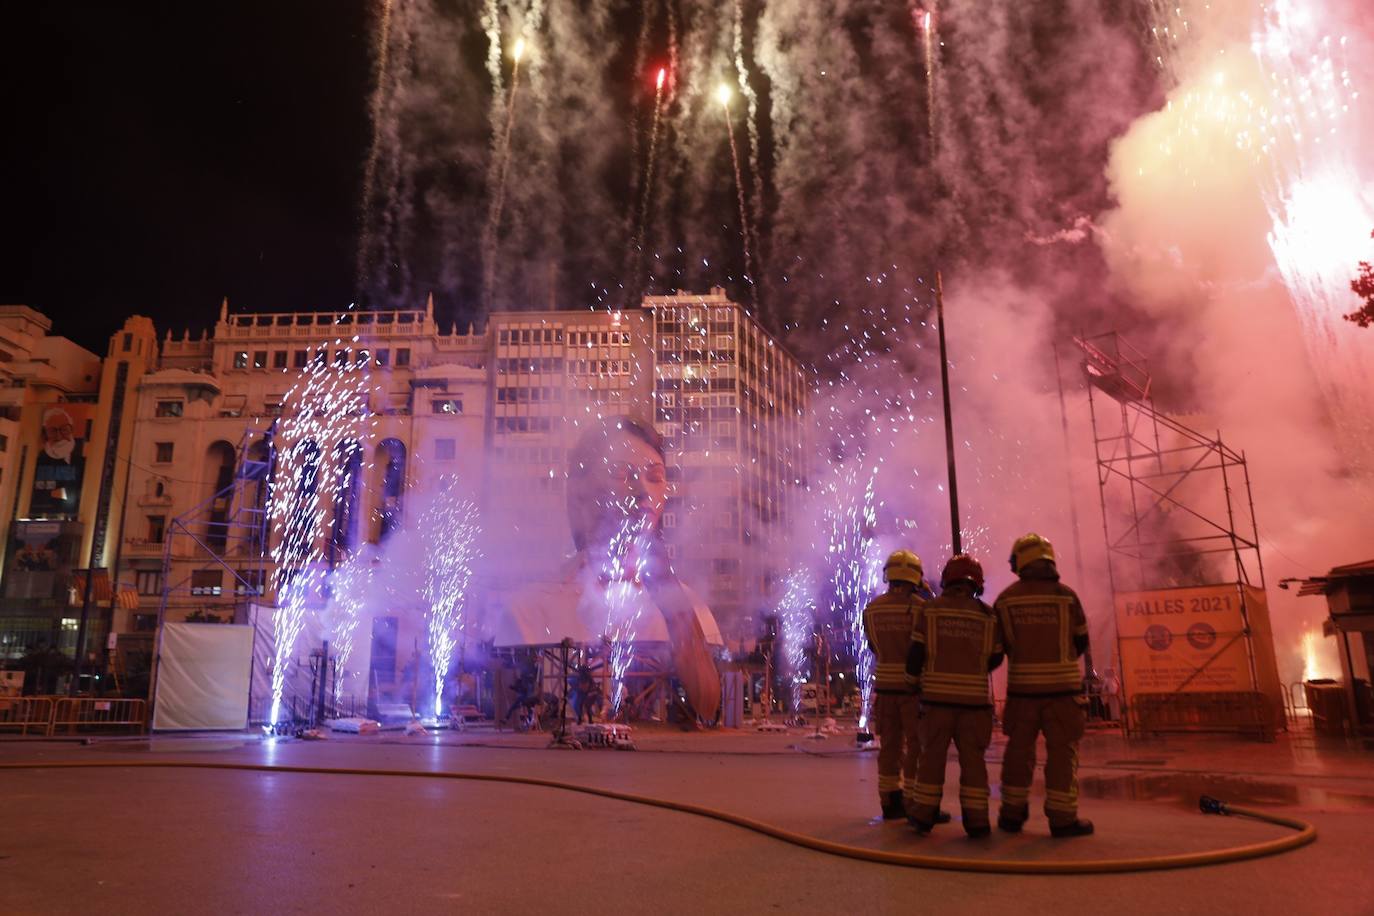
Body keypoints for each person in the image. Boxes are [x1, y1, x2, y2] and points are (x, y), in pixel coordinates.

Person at [995, 533, 1094, 838]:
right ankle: (1062, 819)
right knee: (1062, 754)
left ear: (1020, 561)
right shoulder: (1067, 597)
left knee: (1018, 753)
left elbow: (996, 650)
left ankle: (1011, 814)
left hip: (1022, 692)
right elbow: (1081, 642)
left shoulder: (1006, 599)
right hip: (1064, 694)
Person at [906, 555, 1003, 837]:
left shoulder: (930, 611)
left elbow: (916, 654)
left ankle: (923, 815)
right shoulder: (988, 616)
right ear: (977, 582)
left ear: (948, 579)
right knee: (974, 763)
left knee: (931, 760)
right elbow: (996, 657)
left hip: (936, 703)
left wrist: (913, 683)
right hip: (974, 704)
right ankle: (977, 821)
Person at [861, 549, 929, 820]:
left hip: (885, 687)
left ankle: (889, 802)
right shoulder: (920, 608)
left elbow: (873, 646)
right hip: (913, 690)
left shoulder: (872, 609)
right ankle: (914, 802)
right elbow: (923, 648)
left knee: (889, 746)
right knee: (916, 745)